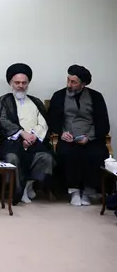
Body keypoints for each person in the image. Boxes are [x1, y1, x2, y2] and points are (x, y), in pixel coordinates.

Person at [48, 65, 110, 206]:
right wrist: (61, 133)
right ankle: (74, 191)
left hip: (91, 138)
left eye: (73, 82)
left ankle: (88, 191)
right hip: (68, 138)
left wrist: (88, 137)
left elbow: (103, 122)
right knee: (68, 153)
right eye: (68, 80)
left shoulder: (96, 97)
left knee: (95, 153)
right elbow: (52, 119)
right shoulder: (59, 96)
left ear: (83, 84)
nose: (69, 84)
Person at [0, 63, 54, 205]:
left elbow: (43, 123)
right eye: (17, 83)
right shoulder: (5, 100)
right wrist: (21, 133)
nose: (20, 86)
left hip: (34, 142)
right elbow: (2, 120)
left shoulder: (35, 101)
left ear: (28, 84)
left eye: (24, 83)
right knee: (12, 157)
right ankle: (18, 190)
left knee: (46, 157)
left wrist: (33, 136)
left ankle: (27, 186)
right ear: (11, 83)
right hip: (12, 142)